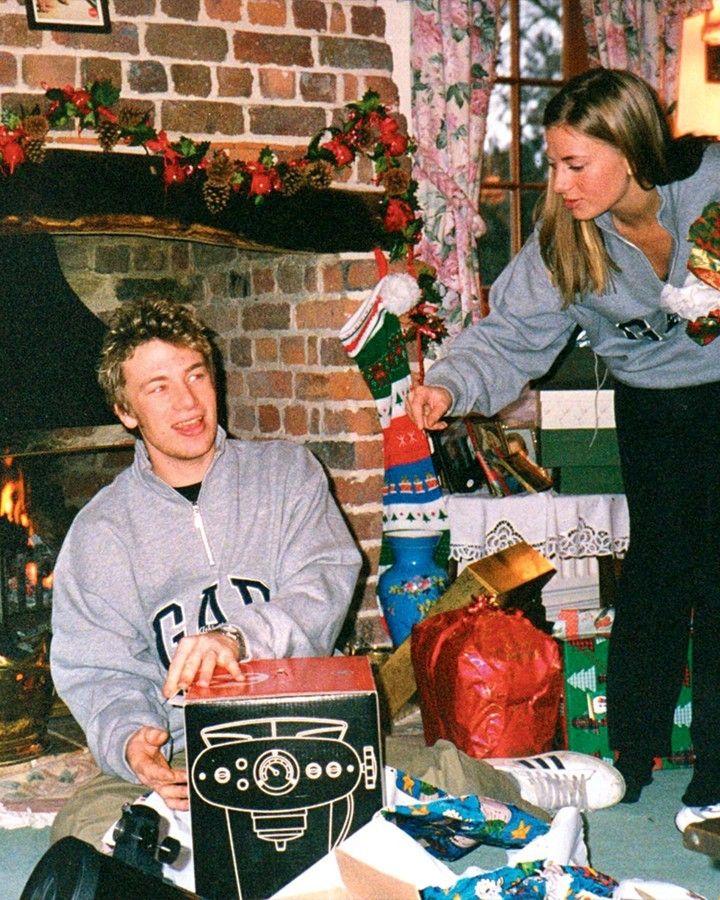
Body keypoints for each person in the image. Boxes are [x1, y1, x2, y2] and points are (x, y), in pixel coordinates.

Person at [407, 68, 720, 830]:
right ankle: (628, 757)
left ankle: (715, 774)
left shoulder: (712, 180)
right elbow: (512, 336)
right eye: (553, 163)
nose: (562, 182)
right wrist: (449, 387)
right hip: (653, 406)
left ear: (632, 149)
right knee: (655, 572)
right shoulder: (564, 241)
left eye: (576, 164)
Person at [49, 296, 362, 848]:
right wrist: (130, 742)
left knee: (432, 784)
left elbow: (324, 583)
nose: (188, 402)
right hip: (185, 754)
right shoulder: (101, 530)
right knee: (86, 834)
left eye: (196, 375)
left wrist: (238, 637)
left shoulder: (286, 473)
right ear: (126, 411)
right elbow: (98, 670)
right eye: (158, 387)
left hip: (306, 726)